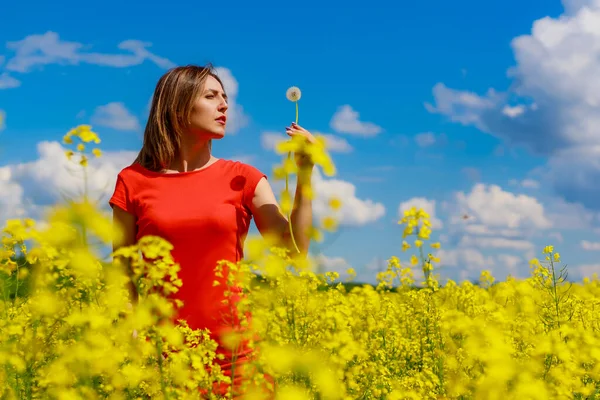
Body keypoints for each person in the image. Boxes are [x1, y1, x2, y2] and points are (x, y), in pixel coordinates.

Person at [108, 64, 315, 397]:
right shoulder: (132, 181)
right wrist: (127, 339)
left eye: (225, 97)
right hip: (161, 360)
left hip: (237, 359)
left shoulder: (244, 178)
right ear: (177, 107)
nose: (224, 105)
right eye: (211, 96)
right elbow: (123, 273)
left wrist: (305, 175)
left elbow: (294, 251)